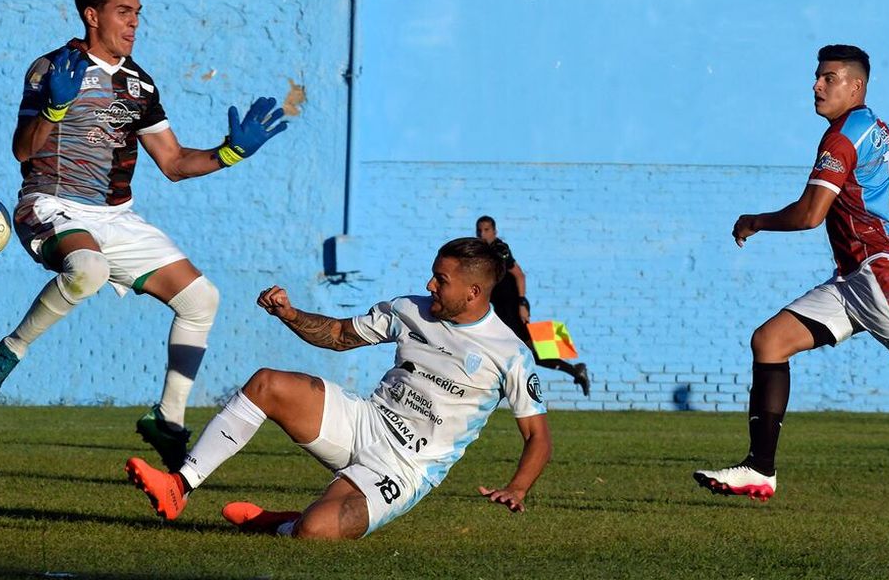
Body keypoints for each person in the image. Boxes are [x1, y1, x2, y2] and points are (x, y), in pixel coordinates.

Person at [0, 0, 288, 470]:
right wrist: (54, 109)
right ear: (92, 15)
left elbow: (175, 163)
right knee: (89, 271)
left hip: (116, 217)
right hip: (52, 205)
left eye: (138, 13)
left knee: (201, 299)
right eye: (124, 11)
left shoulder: (139, 83)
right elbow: (21, 150)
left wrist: (230, 154)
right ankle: (11, 349)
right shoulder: (53, 68)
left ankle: (169, 418)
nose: (134, 23)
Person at [125, 237, 552, 539]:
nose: (429, 286)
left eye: (441, 279)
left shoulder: (509, 352)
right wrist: (290, 315)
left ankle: (283, 523)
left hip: (404, 468)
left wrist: (517, 487)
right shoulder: (408, 310)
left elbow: (537, 437)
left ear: (474, 291)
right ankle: (179, 486)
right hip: (364, 421)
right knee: (268, 384)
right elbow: (339, 335)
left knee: (316, 532)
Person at [693, 45, 889, 501]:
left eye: (829, 78)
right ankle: (759, 470)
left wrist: (755, 221)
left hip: (882, 276)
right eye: (817, 77)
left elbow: (809, 214)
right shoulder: (879, 129)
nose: (817, 86)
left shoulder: (842, 139)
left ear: (855, 86)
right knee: (770, 341)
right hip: (854, 278)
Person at [475, 216, 590, 396]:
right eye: (479, 230)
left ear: (494, 232)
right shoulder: (483, 253)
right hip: (502, 310)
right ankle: (575, 370)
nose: (482, 234)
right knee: (529, 353)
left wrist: (522, 303)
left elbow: (520, 275)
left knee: (525, 351)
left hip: (513, 309)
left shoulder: (500, 249)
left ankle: (503, 388)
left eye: (486, 230)